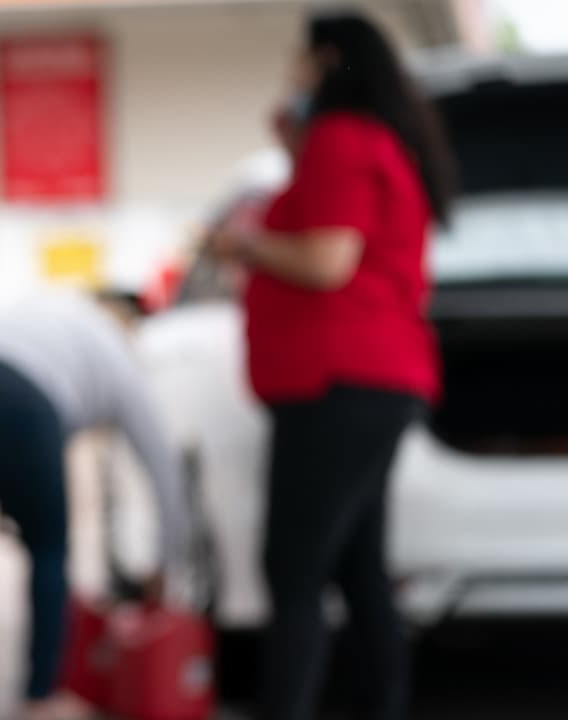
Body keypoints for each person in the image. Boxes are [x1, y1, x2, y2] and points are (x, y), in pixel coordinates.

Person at [210, 9, 455, 720]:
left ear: (328, 63)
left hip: (337, 385)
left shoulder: (344, 139)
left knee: (292, 570)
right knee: (356, 569)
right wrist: (295, 152)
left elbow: (326, 259)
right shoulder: (371, 143)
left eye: (301, 60)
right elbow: (342, 232)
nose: (292, 73)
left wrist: (243, 245)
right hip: (376, 380)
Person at [0, 289, 190, 720]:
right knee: (49, 552)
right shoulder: (120, 355)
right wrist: (167, 568)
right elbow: (162, 469)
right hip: (20, 399)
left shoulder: (40, 306)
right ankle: (41, 696)